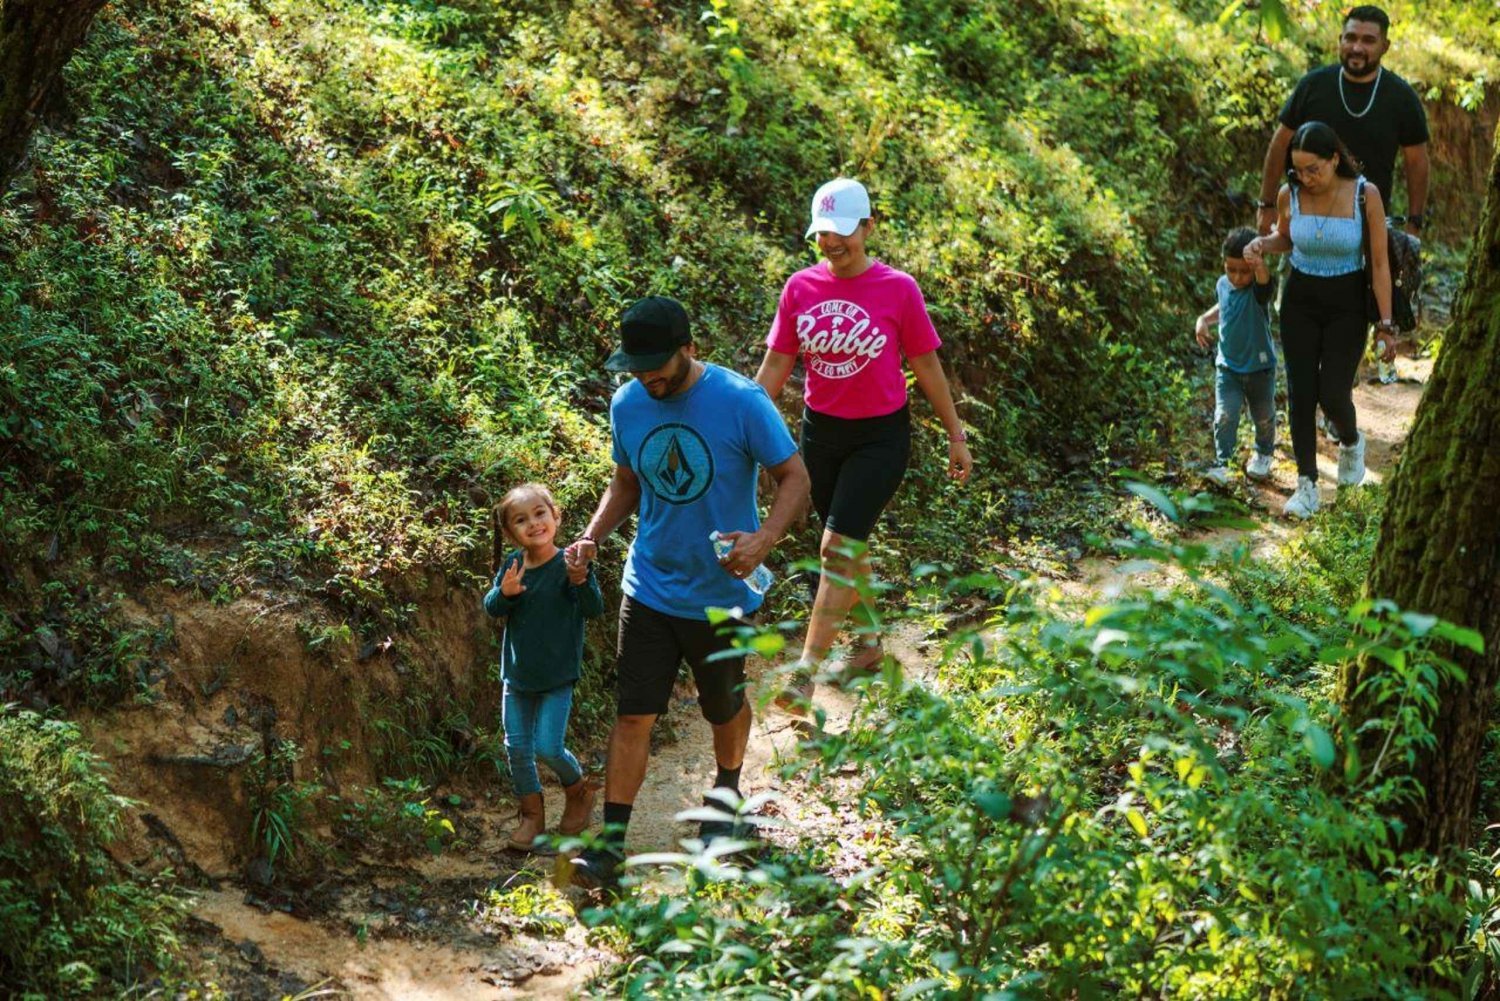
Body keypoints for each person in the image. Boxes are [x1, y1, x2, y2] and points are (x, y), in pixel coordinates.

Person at [565, 295, 811, 889]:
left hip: (721, 591)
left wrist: (764, 539)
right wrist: (593, 536)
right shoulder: (628, 404)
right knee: (633, 715)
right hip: (648, 584)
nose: (647, 378)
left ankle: (726, 794)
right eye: (637, 367)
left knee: (722, 705)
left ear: (689, 350)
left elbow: (795, 477)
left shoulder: (741, 402)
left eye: (658, 366)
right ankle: (611, 845)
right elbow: (626, 482)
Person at [754, 177, 971, 710]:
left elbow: (925, 363)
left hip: (881, 437)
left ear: (868, 226)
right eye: (823, 233)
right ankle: (870, 643)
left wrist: (955, 433)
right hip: (821, 434)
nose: (832, 243)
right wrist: (744, 425)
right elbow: (779, 363)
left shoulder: (898, 289)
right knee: (849, 546)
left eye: (842, 232)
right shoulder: (799, 288)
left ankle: (804, 672)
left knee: (836, 548)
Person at [1243, 122, 1395, 519]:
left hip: (1347, 303)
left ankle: (1350, 439)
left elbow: (1379, 264)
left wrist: (1386, 322)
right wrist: (1263, 243)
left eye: (1315, 169)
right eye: (1298, 170)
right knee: (1301, 391)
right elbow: (1287, 240)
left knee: (1332, 392)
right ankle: (1307, 484)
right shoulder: (1288, 193)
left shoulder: (1365, 194)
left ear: (1333, 159)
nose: (1306, 178)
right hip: (1300, 300)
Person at [483, 482, 604, 851]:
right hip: (517, 676)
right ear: (509, 532)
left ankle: (578, 791)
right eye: (521, 520)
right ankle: (532, 817)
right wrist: (504, 594)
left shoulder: (570, 561)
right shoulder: (513, 565)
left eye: (540, 514)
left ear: (556, 516)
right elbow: (492, 607)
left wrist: (580, 581)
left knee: (548, 747)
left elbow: (593, 609)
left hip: (557, 676)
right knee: (517, 748)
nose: (533, 524)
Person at [1255, 5, 1429, 242]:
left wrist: (1414, 222)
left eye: (1368, 40)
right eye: (1351, 38)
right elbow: (1280, 142)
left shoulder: (1401, 97)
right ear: (1340, 40)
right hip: (1306, 223)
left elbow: (1416, 161)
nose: (1357, 48)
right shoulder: (1313, 86)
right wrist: (1266, 204)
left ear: (1384, 46)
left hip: (1368, 224)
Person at [1195, 228, 1278, 487]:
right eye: (1231, 269)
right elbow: (1224, 306)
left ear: (1254, 267)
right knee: (1224, 416)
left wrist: (1259, 264)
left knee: (1263, 415)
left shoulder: (1258, 289)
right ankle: (1224, 465)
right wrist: (1204, 320)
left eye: (1244, 271)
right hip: (1228, 367)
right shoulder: (1223, 284)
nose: (1237, 277)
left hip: (1259, 368)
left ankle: (1263, 453)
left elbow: (1266, 285)